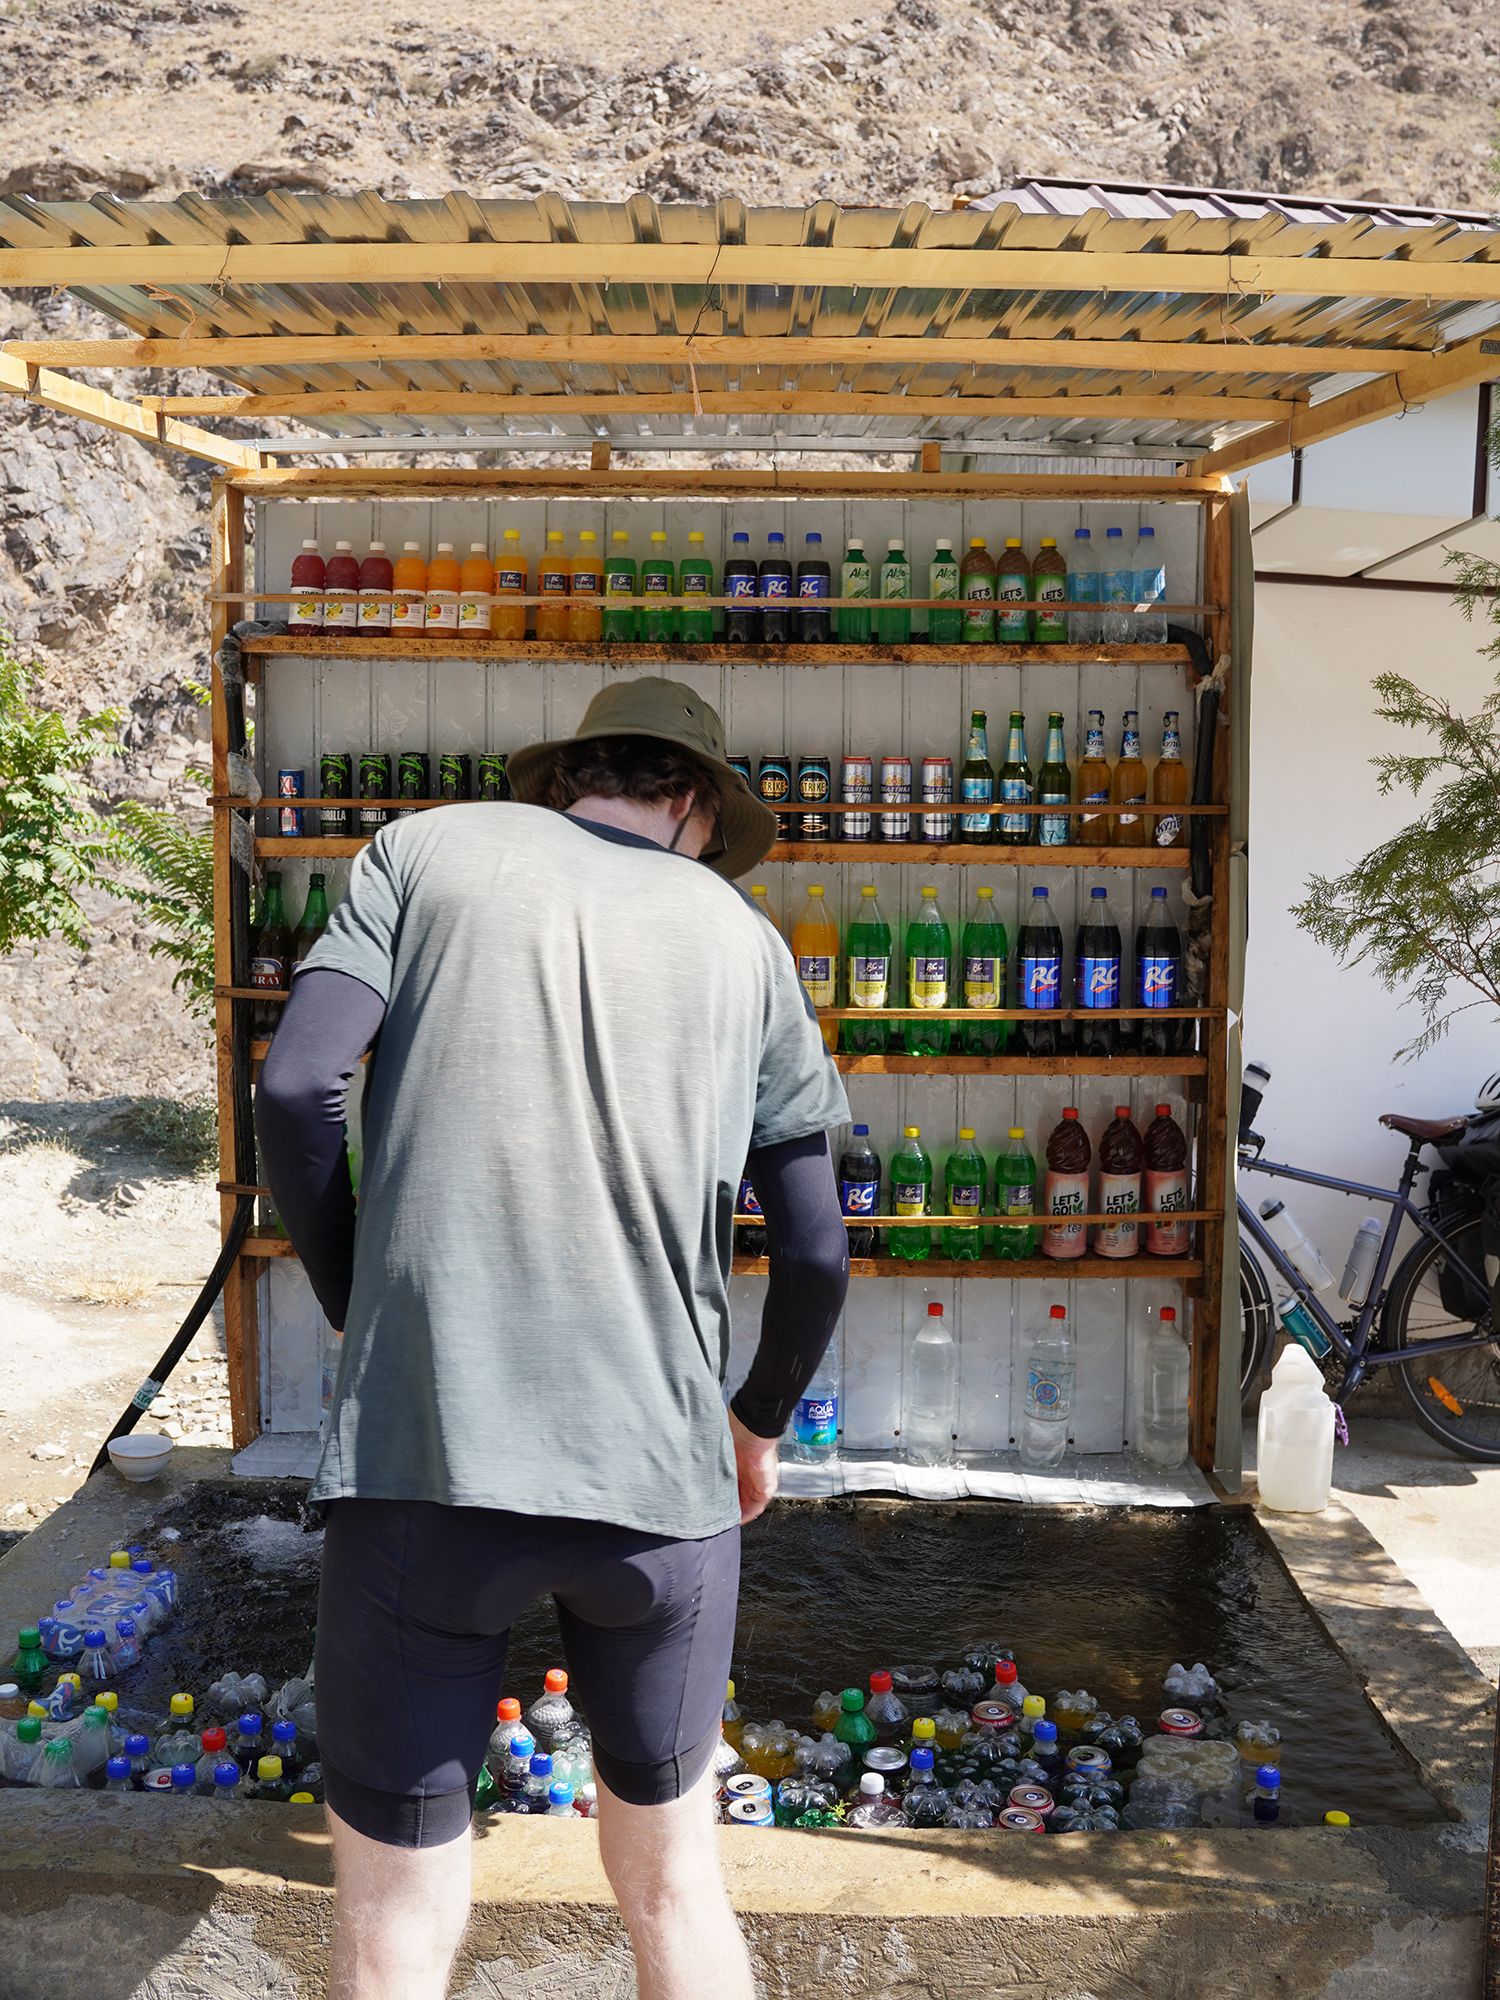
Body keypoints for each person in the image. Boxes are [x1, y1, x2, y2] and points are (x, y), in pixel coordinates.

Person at [256, 678, 850, 2000]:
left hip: (424, 1458)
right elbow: (815, 1250)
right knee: (678, 1892)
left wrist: (361, 1297)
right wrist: (754, 1424)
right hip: (660, 1479)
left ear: (565, 776)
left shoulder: (421, 852)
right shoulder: (742, 939)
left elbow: (298, 1089)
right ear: (693, 804)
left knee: (398, 1924)